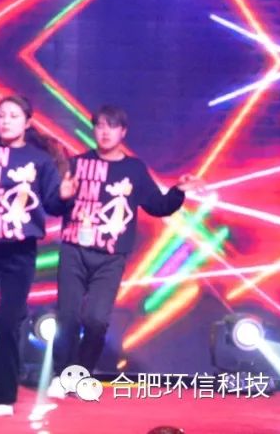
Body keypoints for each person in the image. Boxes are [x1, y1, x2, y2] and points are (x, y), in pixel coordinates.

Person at [50, 104, 203, 392]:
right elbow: (54, 206)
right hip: (74, 250)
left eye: (112, 126)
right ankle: (61, 375)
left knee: (96, 320)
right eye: (100, 126)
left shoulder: (134, 169)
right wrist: (62, 196)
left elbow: (158, 206)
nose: (105, 132)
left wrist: (178, 191)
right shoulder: (77, 164)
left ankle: (79, 374)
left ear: (123, 132)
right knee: (68, 316)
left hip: (110, 258)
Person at [0, 95, 73, 417]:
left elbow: (53, 204)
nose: (6, 121)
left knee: (10, 321)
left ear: (27, 122)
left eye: (13, 116)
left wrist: (64, 196)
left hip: (20, 249)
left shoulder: (40, 161)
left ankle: (2, 394)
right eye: (1, 115)